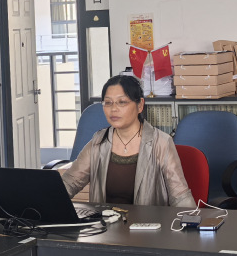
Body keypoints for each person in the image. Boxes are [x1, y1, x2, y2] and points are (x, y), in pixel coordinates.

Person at [59, 74, 195, 208]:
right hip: (106, 221)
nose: (113, 109)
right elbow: (70, 183)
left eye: (122, 102)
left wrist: (193, 220)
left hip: (148, 222)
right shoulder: (98, 141)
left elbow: (180, 197)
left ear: (140, 105)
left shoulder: (161, 142)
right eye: (108, 103)